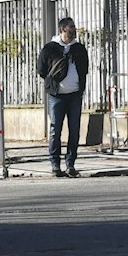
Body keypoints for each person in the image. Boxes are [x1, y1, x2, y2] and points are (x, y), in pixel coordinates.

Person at [37, 17, 89, 178]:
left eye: (74, 27)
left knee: (74, 130)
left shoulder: (79, 48)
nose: (73, 30)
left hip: (75, 95)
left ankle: (70, 164)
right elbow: (41, 69)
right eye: (70, 27)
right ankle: (55, 164)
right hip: (56, 96)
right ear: (62, 30)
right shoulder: (50, 48)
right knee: (55, 130)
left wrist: (80, 86)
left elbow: (85, 68)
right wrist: (52, 83)